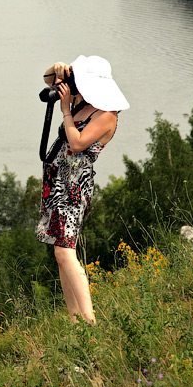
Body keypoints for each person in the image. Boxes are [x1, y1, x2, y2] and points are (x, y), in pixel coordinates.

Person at [37, 55, 129, 324]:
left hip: (74, 187)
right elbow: (47, 81)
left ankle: (89, 321)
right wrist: (55, 69)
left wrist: (66, 111)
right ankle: (74, 320)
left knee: (66, 252)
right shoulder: (83, 103)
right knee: (59, 253)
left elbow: (76, 143)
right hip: (57, 183)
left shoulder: (106, 116)